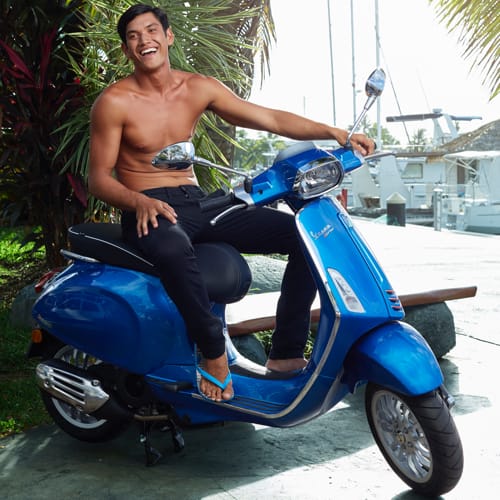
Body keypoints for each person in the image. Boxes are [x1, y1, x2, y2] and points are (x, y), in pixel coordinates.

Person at [88, 3, 375, 403]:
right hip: (149, 206)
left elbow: (269, 119)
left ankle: (286, 353)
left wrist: (336, 133)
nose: (144, 41)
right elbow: (99, 178)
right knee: (173, 248)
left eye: (151, 31)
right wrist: (137, 201)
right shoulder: (115, 102)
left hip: (196, 201)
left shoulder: (197, 88)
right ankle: (213, 352)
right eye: (133, 36)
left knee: (305, 235)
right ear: (126, 49)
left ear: (168, 37)